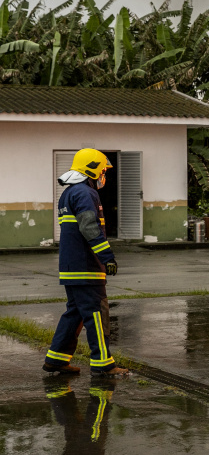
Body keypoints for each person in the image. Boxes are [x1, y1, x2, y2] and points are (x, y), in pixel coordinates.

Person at [44, 149, 128, 377]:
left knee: (75, 313)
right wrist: (107, 257)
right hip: (86, 267)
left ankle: (56, 359)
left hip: (71, 267)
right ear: (92, 169)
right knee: (97, 315)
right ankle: (103, 365)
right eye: (102, 171)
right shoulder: (85, 193)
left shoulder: (69, 193)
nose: (104, 176)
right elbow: (90, 228)